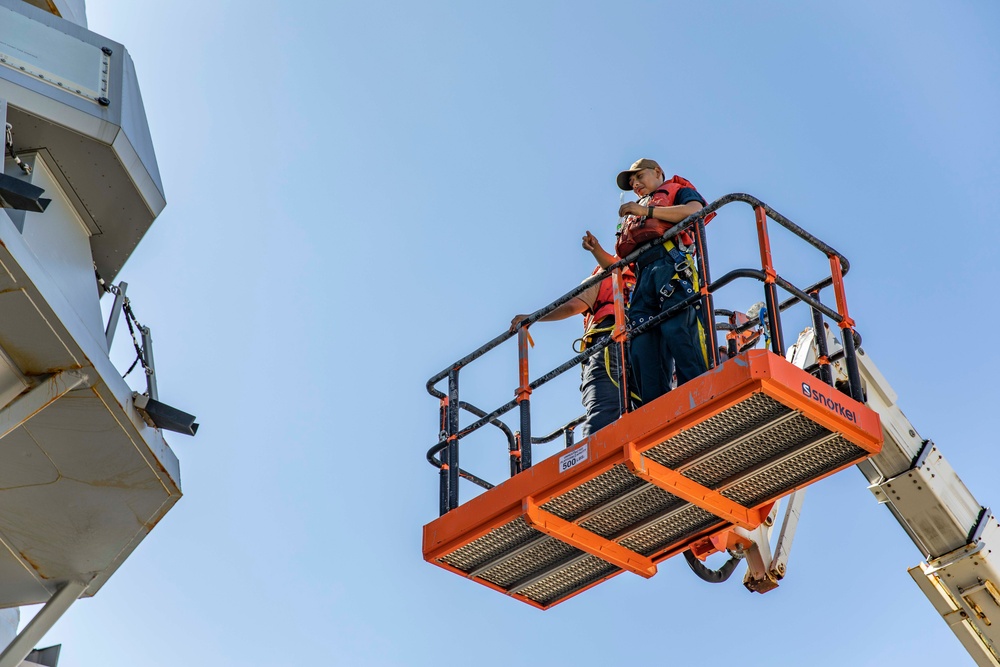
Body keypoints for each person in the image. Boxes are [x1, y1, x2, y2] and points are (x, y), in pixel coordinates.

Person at [583, 158, 709, 403]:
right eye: (632, 183)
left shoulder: (679, 191)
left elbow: (696, 211)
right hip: (643, 281)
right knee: (642, 345)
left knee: (679, 330)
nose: (636, 185)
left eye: (639, 177)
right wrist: (596, 249)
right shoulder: (635, 213)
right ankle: (656, 406)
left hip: (672, 269)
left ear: (658, 172)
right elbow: (619, 267)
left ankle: (700, 392)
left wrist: (645, 211)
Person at [510, 263, 636, 439]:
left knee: (603, 410)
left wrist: (532, 318)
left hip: (609, 345)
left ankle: (595, 459)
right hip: (642, 346)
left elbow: (572, 306)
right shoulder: (645, 274)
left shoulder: (606, 274)